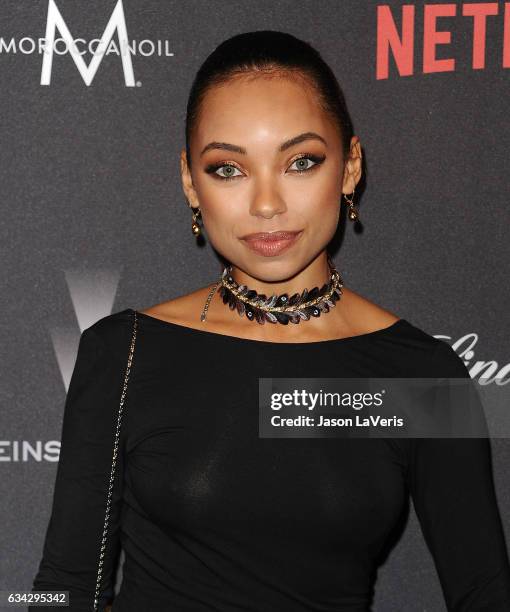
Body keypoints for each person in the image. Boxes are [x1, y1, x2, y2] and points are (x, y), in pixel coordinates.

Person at [30, 30, 510, 611]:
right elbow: (63, 587)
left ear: (351, 167)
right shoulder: (124, 353)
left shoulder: (420, 374)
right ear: (190, 181)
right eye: (228, 169)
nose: (266, 203)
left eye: (300, 162)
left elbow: (485, 592)